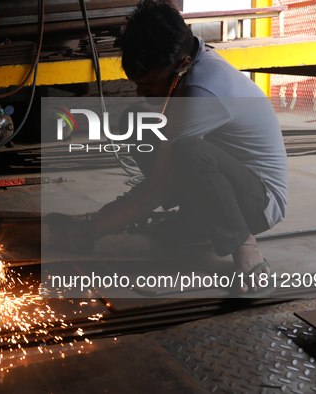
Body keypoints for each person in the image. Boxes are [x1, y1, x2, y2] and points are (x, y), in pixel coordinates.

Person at [47, 0, 288, 297]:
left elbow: (160, 185)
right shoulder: (192, 63)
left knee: (188, 152)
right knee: (137, 120)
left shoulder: (203, 92)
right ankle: (195, 217)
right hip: (225, 182)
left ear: (183, 63)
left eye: (149, 82)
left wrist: (88, 231)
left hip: (258, 203)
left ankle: (245, 247)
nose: (140, 90)